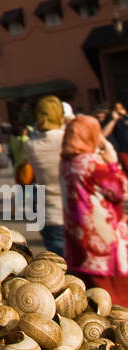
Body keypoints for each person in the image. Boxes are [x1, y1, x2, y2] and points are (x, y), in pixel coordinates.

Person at [59, 115, 128, 306]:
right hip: (103, 242)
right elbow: (121, 191)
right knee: (115, 299)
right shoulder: (90, 163)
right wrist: (113, 162)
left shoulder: (66, 162)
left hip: (78, 240)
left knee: (94, 299)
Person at [23, 95, 66, 256]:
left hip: (48, 214)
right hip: (73, 212)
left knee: (59, 270)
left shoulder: (30, 145)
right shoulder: (68, 138)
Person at [102, 102, 128, 173]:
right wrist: (114, 120)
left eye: (120, 108)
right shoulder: (110, 120)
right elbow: (103, 134)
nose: (119, 110)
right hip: (122, 152)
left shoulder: (126, 118)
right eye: (116, 109)